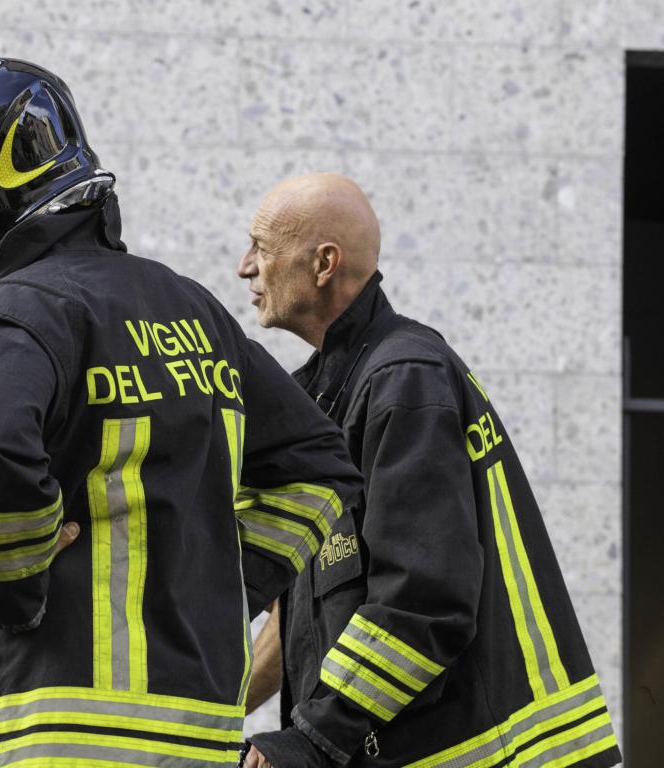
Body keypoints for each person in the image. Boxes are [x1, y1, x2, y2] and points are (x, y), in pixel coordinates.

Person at [0, 60, 363, 768]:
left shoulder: (23, 309)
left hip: (48, 727)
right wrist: (221, 581)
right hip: (195, 734)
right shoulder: (195, 312)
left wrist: (10, 585)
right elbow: (320, 469)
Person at [235, 173, 622, 768]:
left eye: (262, 246)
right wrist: (213, 712)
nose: (245, 267)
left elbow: (421, 600)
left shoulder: (404, 381)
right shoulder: (330, 399)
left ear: (323, 264)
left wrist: (314, 737)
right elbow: (297, 616)